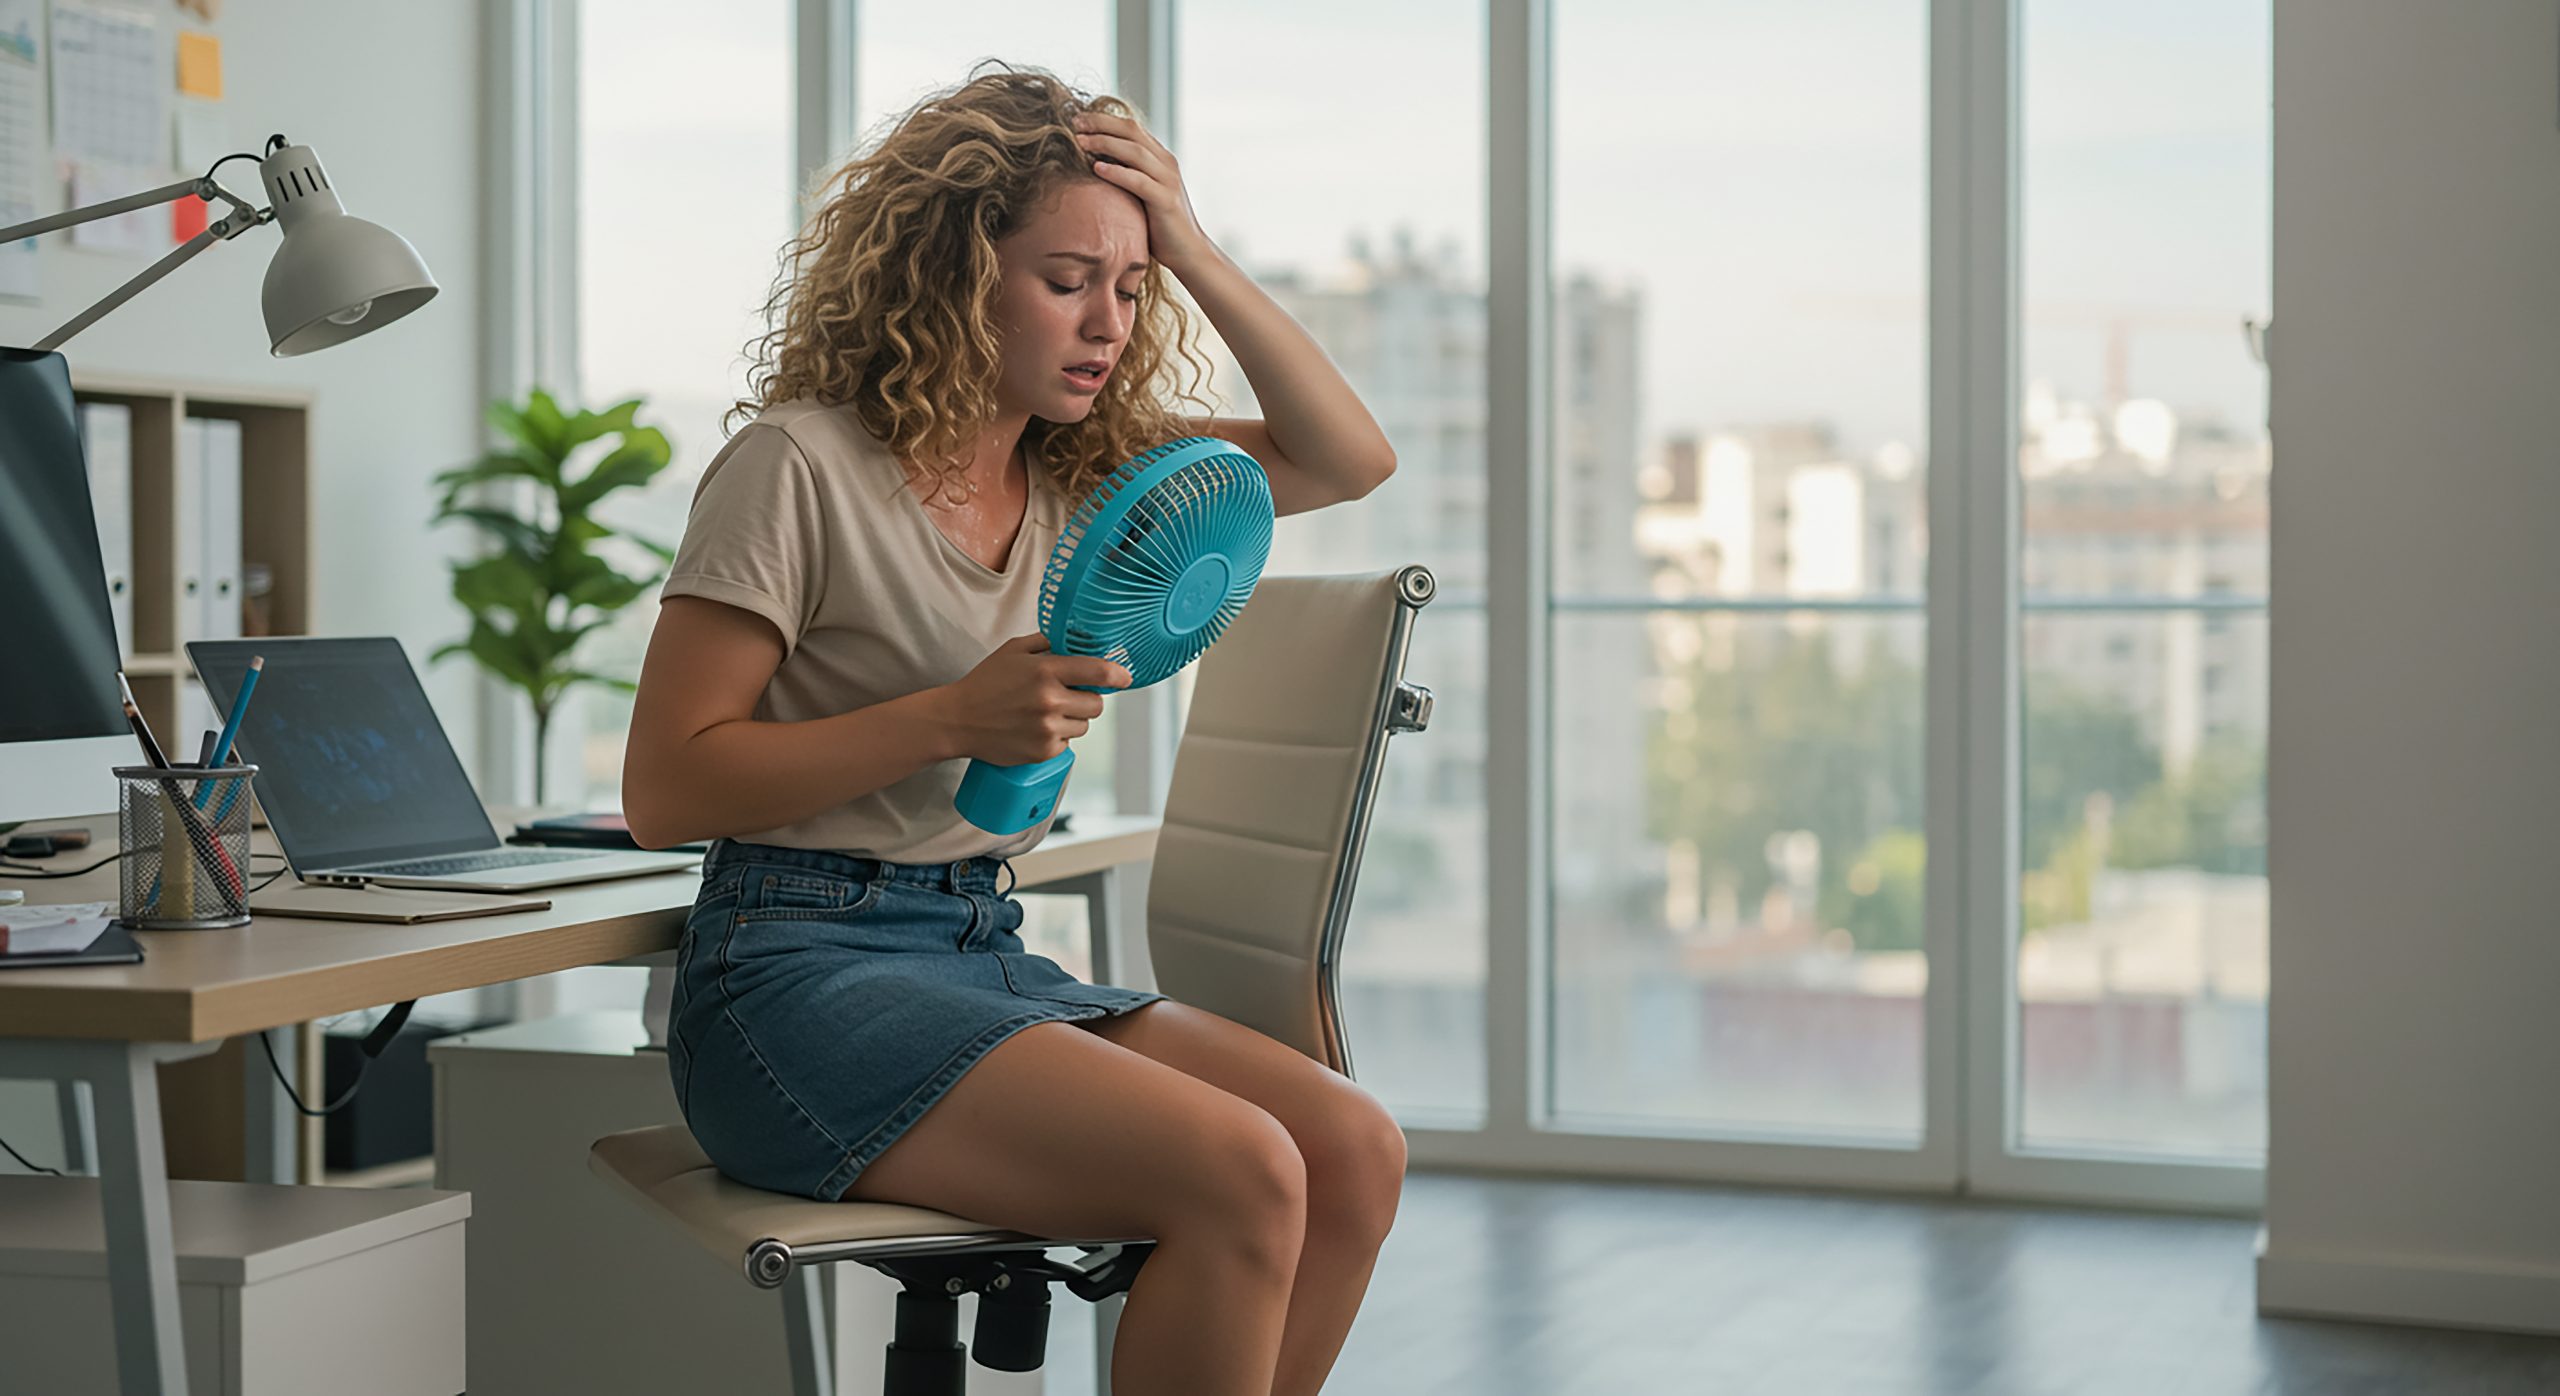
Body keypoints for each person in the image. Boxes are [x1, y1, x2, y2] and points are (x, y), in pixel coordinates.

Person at [621, 65, 1403, 1396]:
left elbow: (1346, 459)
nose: (1107, 324)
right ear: (952, 274)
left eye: (1132, 289)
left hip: (977, 944)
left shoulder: (1086, 470)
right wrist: (948, 717)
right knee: (1247, 1172)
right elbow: (667, 787)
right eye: (1067, 280)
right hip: (792, 973)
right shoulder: (797, 464)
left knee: (1352, 1151)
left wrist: (1190, 241)